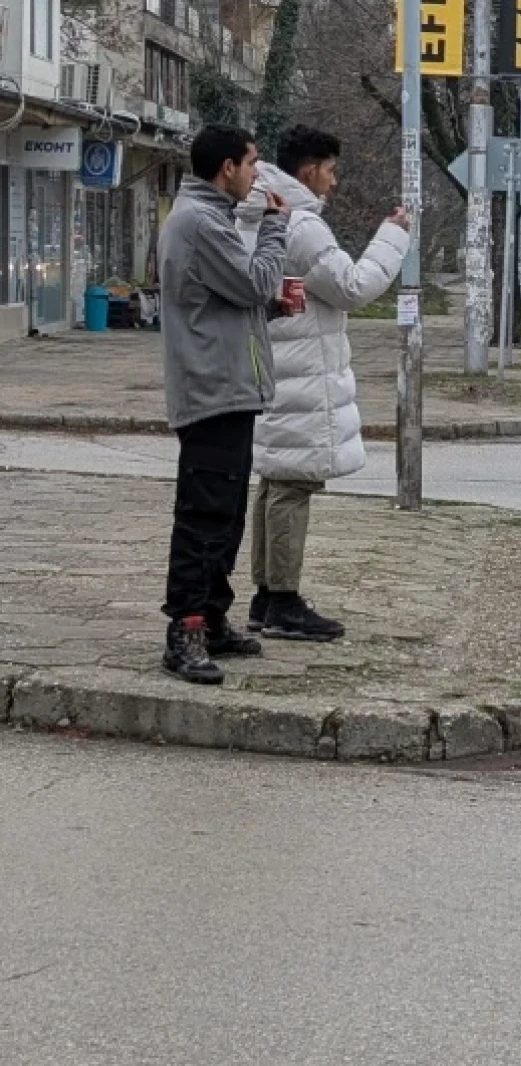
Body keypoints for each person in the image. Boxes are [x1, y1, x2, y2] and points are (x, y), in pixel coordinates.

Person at [234, 124, 411, 642]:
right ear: (308, 170)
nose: (333, 184)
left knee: (275, 483)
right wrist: (394, 234)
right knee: (292, 486)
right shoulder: (300, 225)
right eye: (331, 172)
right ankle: (283, 602)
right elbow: (354, 287)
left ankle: (267, 596)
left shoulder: (257, 211)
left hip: (276, 366)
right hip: (302, 372)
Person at [157, 123, 289, 684]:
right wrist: (276, 229)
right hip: (211, 390)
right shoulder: (201, 221)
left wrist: (268, 310)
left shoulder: (212, 218)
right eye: (252, 163)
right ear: (227, 168)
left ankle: (211, 618)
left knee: (226, 514)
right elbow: (256, 282)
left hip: (229, 385)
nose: (257, 174)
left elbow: (231, 299)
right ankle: (184, 630)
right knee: (204, 515)